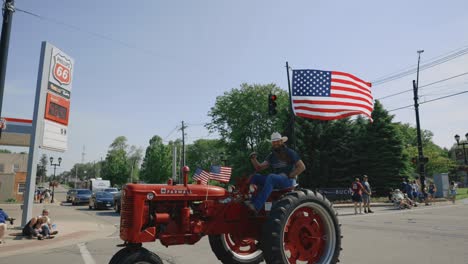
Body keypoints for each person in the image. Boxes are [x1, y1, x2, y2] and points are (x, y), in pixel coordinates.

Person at [244, 132, 306, 213]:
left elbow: (302, 167)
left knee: (271, 177)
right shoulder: (272, 155)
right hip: (275, 179)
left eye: (277, 141)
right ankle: (249, 200)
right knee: (255, 177)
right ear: (272, 143)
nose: (275, 143)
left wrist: (291, 175)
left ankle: (256, 206)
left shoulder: (290, 152)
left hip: (288, 181)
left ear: (281, 141)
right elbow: (259, 167)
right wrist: (253, 159)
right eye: (274, 142)